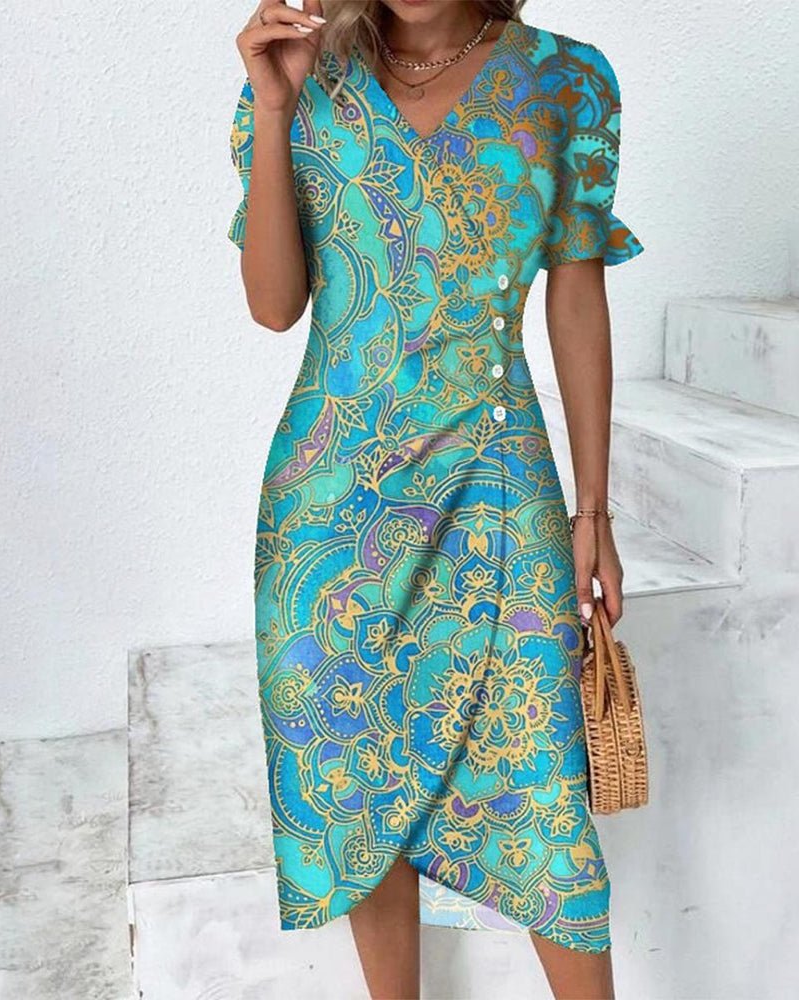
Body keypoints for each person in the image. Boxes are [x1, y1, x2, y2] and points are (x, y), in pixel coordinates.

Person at [229, 1, 644, 997]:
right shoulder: (302, 79)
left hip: (495, 486)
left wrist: (592, 510)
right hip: (328, 509)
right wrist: (275, 107)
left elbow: (576, 293)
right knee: (356, 788)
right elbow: (274, 306)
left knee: (541, 790)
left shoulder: (565, 79)